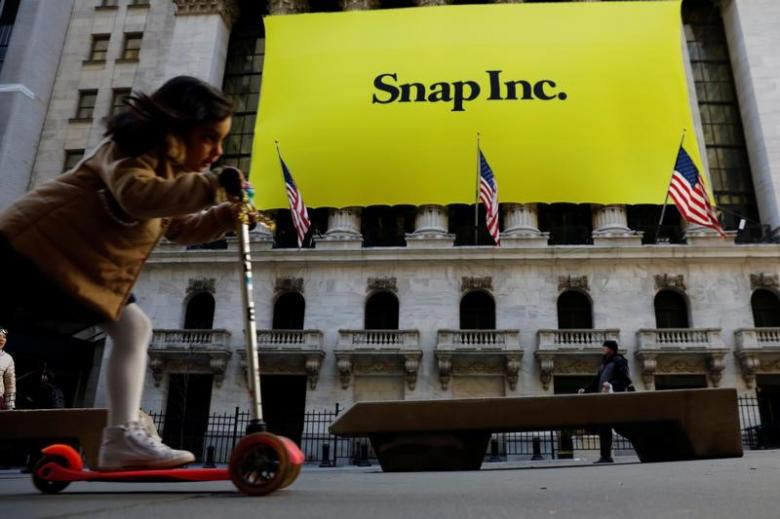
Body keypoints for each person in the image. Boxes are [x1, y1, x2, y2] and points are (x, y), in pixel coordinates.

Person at [0, 76, 252, 471]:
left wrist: (225, 216)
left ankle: (120, 438)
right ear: (178, 126)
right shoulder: (129, 150)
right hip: (33, 249)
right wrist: (212, 187)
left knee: (133, 328)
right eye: (208, 137)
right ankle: (122, 437)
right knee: (133, 328)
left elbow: (181, 227)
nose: (218, 152)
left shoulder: (169, 176)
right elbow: (138, 197)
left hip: (81, 267)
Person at [578, 339, 634, 463]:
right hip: (604, 401)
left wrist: (611, 385)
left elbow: (625, 380)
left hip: (614, 399)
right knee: (604, 427)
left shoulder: (619, 361)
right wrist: (586, 390)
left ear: (610, 349)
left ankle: (642, 441)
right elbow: (597, 382)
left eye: (604, 347)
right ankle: (605, 456)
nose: (602, 349)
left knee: (620, 427)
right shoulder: (604, 364)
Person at [0, 328, 15, 411]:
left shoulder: (7, 358)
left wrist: (10, 406)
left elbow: (10, 384)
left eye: (4, 337)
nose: (1, 339)